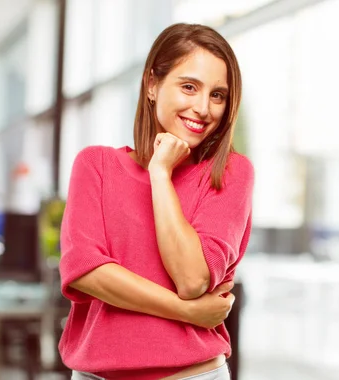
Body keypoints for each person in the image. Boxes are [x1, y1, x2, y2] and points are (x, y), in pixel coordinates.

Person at [58, 23, 254, 380]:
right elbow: (86, 271)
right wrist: (188, 312)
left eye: (217, 95)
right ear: (152, 85)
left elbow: (192, 278)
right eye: (189, 87)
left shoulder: (230, 172)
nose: (202, 108)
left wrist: (160, 174)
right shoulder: (96, 165)